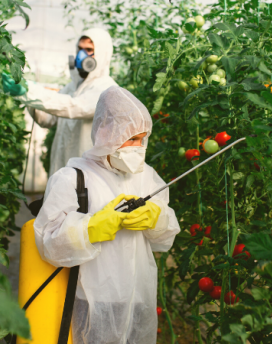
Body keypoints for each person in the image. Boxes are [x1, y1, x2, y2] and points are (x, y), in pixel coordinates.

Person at [33, 86, 181, 343]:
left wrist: (156, 219)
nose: (138, 148)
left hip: (138, 295)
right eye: (131, 139)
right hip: (93, 298)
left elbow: (165, 238)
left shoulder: (147, 176)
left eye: (142, 139)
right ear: (105, 133)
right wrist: (88, 229)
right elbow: (48, 244)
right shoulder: (73, 178)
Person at [3, 28, 117, 175]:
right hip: (64, 167)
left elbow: (74, 107)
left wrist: (31, 91)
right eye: (80, 49)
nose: (81, 55)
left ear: (103, 54)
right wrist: (29, 98)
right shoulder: (73, 87)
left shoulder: (107, 89)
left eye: (89, 49)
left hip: (89, 174)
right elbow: (48, 119)